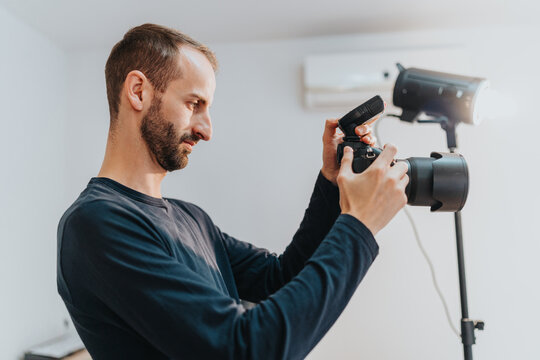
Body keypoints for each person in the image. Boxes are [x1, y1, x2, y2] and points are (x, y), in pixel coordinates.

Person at [57, 23, 409, 360]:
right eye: (195, 104)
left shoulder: (191, 218)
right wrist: (359, 225)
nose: (206, 130)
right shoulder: (95, 223)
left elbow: (281, 277)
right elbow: (246, 349)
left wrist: (332, 185)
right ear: (138, 91)